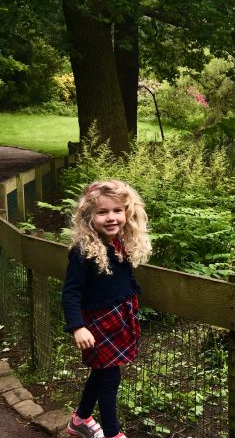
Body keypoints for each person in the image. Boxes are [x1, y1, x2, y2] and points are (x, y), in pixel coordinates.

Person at [62, 180, 152, 438]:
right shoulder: (83, 251)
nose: (111, 217)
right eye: (102, 212)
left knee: (101, 373)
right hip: (97, 325)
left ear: (128, 213)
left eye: (117, 210)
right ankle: (113, 433)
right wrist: (77, 326)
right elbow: (70, 292)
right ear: (89, 217)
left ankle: (79, 419)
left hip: (119, 320)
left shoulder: (120, 244)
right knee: (110, 378)